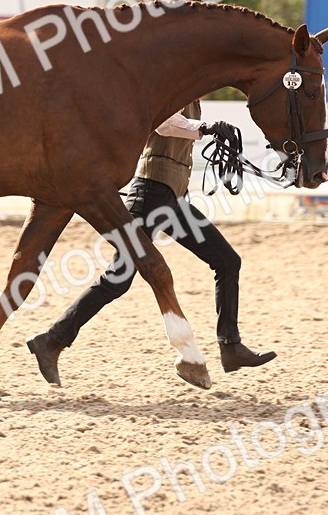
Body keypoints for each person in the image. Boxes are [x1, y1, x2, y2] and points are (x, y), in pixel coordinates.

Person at [26, 102, 276, 386]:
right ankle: (52, 340)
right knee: (118, 278)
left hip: (173, 198)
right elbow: (164, 122)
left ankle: (230, 347)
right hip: (150, 193)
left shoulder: (193, 94)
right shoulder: (171, 86)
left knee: (228, 261)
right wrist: (204, 128)